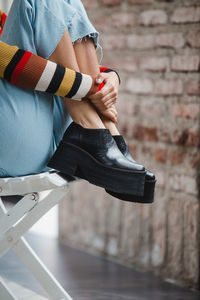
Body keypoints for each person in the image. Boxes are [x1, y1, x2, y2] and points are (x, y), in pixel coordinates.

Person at [0, 0, 155, 203]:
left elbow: (41, 51)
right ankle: (93, 127)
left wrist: (107, 79)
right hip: (12, 149)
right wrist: (93, 89)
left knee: (67, 2)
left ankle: (103, 131)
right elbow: (5, 58)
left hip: (39, 142)